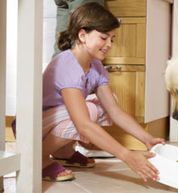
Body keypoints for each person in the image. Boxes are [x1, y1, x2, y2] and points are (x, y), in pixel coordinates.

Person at [42, 2, 165, 182]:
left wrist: (147, 139)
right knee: (88, 111)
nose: (109, 44)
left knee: (104, 103)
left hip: (56, 120)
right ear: (82, 35)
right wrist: (127, 155)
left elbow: (114, 111)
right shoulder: (67, 65)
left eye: (112, 39)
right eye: (103, 37)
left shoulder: (96, 67)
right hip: (34, 125)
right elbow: (83, 124)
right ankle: (38, 159)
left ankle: (64, 152)